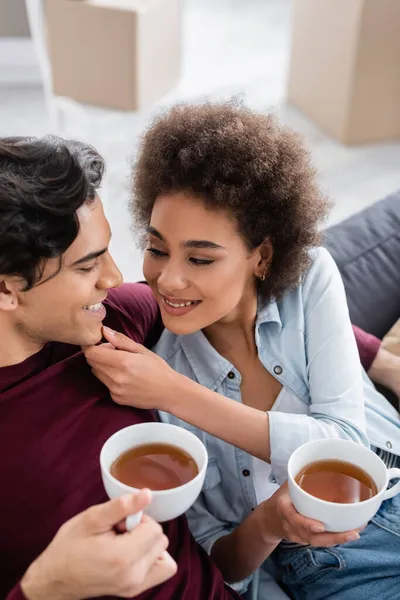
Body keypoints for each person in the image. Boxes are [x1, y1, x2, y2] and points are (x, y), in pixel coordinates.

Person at [86, 103, 400, 600]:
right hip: (333, 564)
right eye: (157, 249)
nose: (168, 279)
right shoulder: (150, 386)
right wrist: (270, 523)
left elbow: (347, 447)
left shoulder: (309, 278)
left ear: (262, 256)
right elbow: (222, 564)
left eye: (200, 258)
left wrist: (180, 394)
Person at [0, 135, 242, 600]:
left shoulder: (108, 320)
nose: (114, 278)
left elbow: (216, 296)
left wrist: (379, 360)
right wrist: (44, 590)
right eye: (88, 266)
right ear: (8, 289)